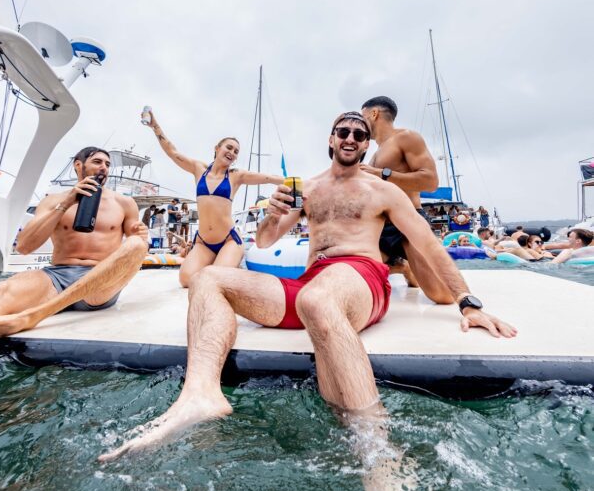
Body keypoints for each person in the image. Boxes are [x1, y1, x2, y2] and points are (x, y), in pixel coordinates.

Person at [100, 111, 516, 462]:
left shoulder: (383, 190)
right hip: (311, 282)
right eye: (343, 131)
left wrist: (468, 302)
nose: (351, 137)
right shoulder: (308, 188)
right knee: (209, 279)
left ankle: (378, 450)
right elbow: (264, 241)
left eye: (360, 134)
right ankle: (200, 395)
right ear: (331, 139)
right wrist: (271, 215)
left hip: (361, 278)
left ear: (367, 145)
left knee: (318, 299)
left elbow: (427, 244)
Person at [0, 147, 149, 379]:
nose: (104, 167)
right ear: (78, 165)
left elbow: (137, 247)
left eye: (107, 164)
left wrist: (140, 233)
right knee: (0, 292)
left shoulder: (124, 203)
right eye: (97, 162)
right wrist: (67, 202)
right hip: (57, 276)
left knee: (136, 246)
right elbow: (24, 247)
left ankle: (31, 316)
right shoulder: (54, 200)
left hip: (99, 283)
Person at [144, 108, 283, 287]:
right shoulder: (198, 169)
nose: (232, 152)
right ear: (217, 149)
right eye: (229, 147)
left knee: (214, 280)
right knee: (185, 280)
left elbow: (268, 178)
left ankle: (229, 261)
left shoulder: (235, 176)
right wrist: (155, 126)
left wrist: (295, 183)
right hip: (204, 242)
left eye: (236, 151)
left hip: (229, 240)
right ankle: (220, 264)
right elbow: (173, 153)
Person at [360, 96, 455, 303]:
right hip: (379, 226)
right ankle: (400, 266)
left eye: (362, 116)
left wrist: (380, 174)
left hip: (407, 220)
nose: (360, 121)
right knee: (357, 279)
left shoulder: (406, 138)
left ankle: (406, 266)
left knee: (442, 295)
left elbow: (430, 182)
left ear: (373, 114)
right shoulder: (375, 153)